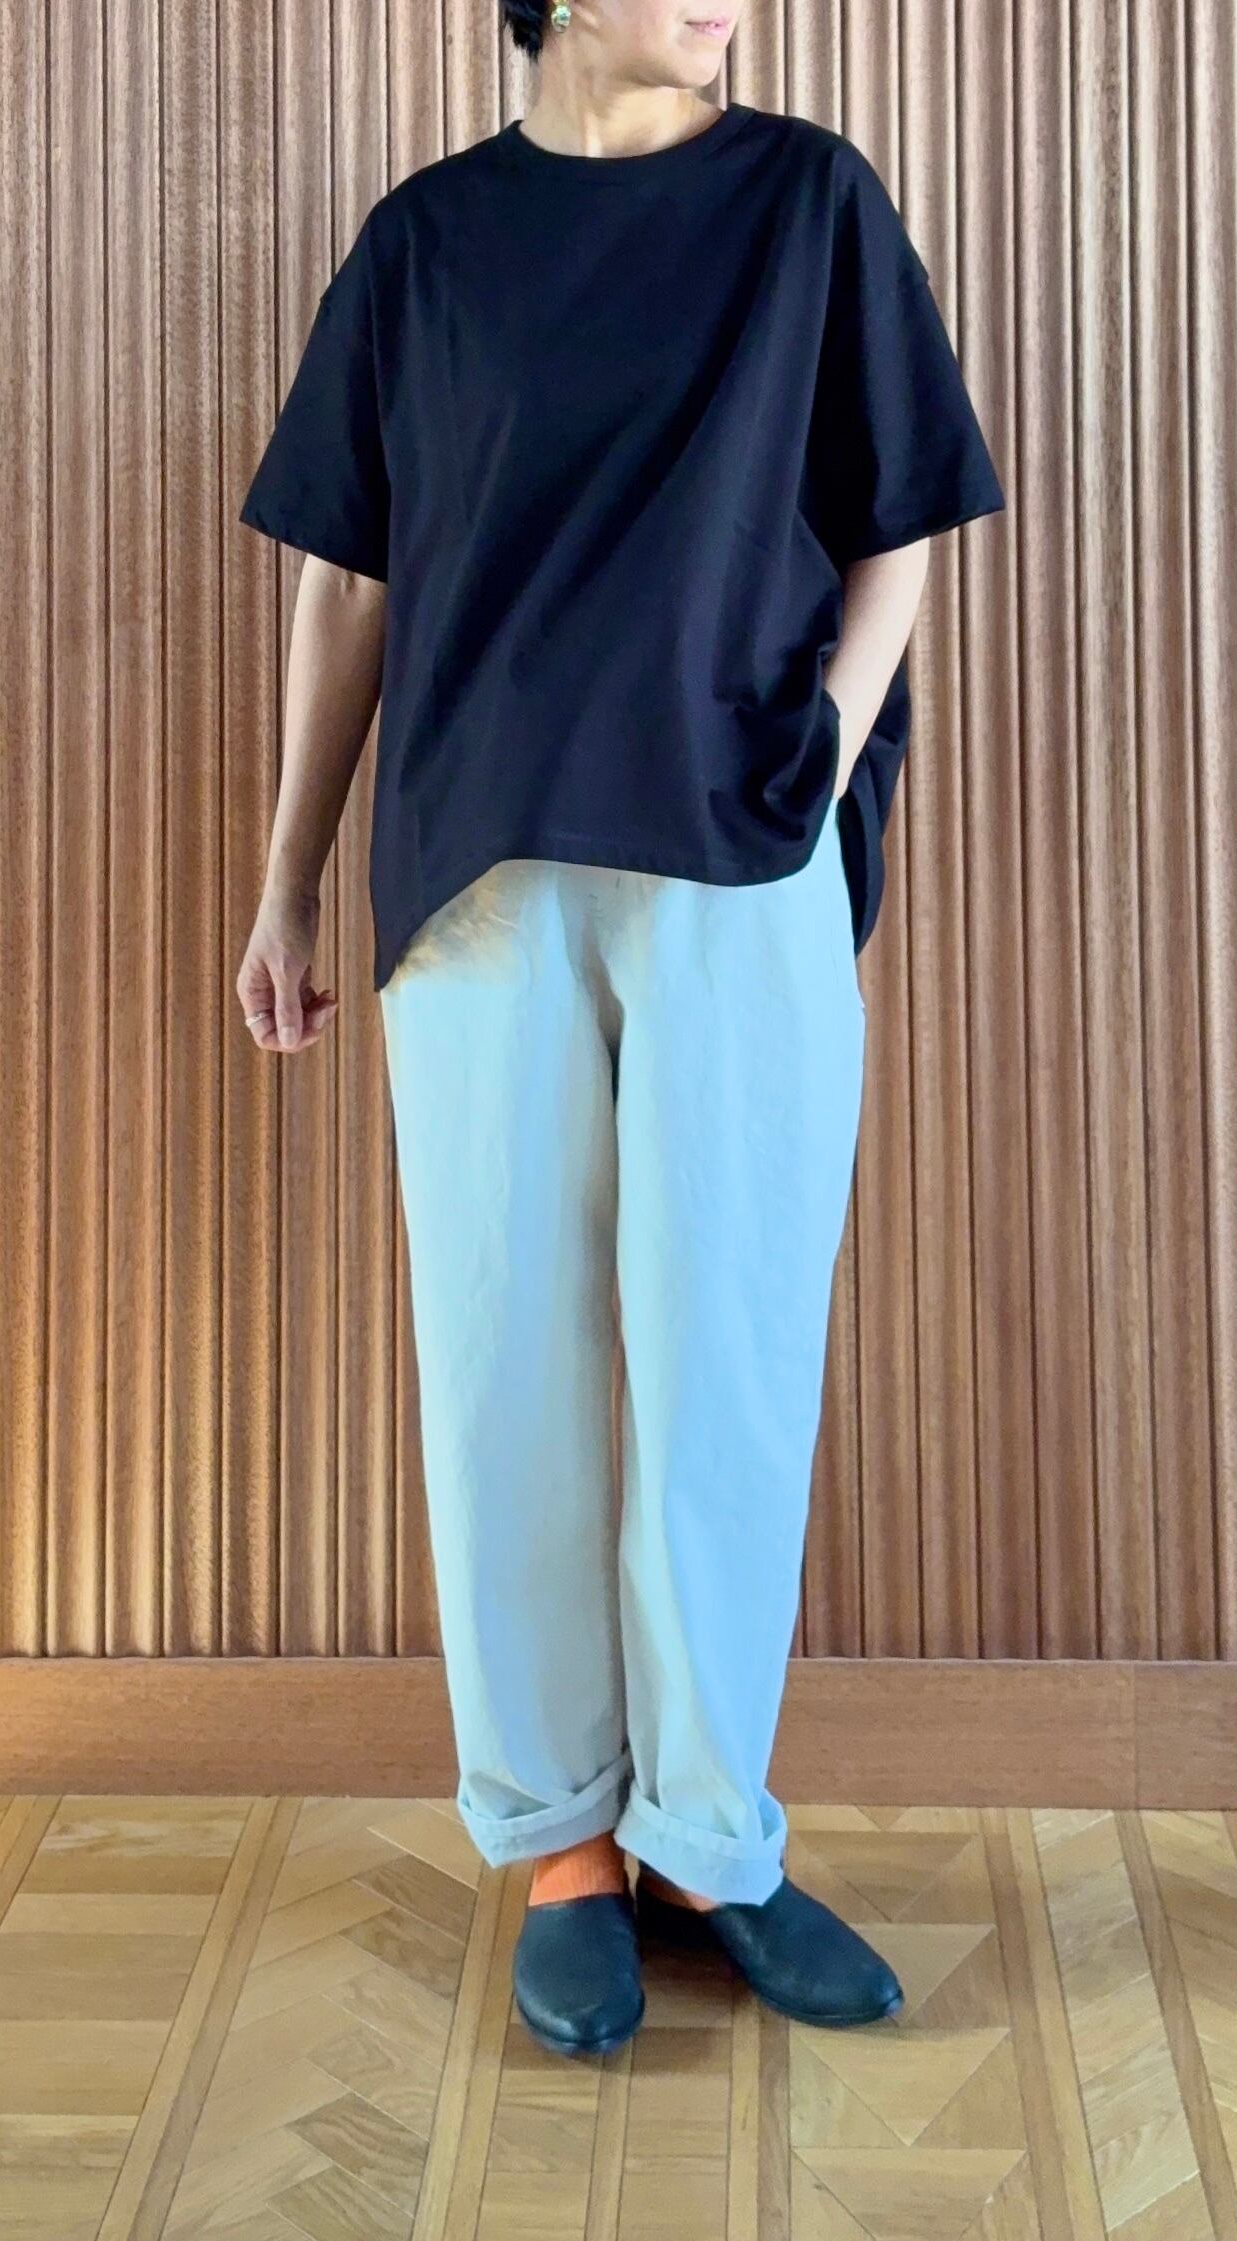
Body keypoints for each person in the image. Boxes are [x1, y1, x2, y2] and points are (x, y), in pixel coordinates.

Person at [233, 0, 1004, 2060]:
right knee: (508, 1364)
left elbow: (899, 525)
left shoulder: (807, 206)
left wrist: (817, 762)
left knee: (725, 1360)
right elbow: (349, 584)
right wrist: (289, 877)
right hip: (477, 872)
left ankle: (709, 1839)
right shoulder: (425, 245)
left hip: (739, 867)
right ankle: (561, 1843)